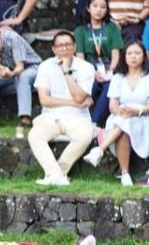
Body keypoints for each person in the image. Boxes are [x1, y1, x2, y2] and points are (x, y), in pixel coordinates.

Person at [83, 40, 149, 185]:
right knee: (125, 124)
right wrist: (120, 111)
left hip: (145, 117)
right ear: (124, 56)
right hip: (121, 117)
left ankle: (101, 152)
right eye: (129, 53)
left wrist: (136, 111)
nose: (133, 56)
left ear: (144, 57)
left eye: (137, 53)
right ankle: (125, 174)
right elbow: (112, 105)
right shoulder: (117, 78)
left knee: (126, 123)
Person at [26, 30, 98, 186]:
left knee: (84, 137)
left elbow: (80, 97)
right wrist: (71, 102)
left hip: (78, 116)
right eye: (60, 45)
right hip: (52, 115)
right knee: (35, 135)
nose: (64, 48)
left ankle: (58, 172)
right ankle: (56, 174)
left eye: (68, 45)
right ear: (53, 49)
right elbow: (44, 100)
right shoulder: (45, 66)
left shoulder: (86, 67)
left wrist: (66, 71)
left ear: (74, 47)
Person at [74, 0, 124, 126]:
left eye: (103, 7)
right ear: (88, 8)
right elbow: (80, 57)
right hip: (89, 67)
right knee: (90, 83)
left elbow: (115, 55)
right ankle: (81, 118)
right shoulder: (80, 30)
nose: (98, 10)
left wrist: (110, 70)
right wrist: (92, 72)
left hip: (109, 67)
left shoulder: (112, 28)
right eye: (95, 6)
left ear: (107, 10)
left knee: (110, 86)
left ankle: (93, 122)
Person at [0, 26, 41, 128]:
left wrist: (10, 74)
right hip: (11, 70)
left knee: (22, 76)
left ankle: (25, 119)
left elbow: (20, 67)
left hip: (32, 68)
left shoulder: (13, 38)